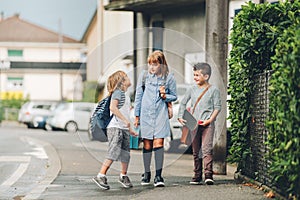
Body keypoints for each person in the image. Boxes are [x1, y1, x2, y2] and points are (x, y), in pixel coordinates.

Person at [134, 50, 177, 187]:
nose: (151, 67)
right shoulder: (144, 76)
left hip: (160, 114)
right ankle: (147, 173)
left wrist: (165, 96)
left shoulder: (169, 78)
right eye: (150, 64)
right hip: (146, 114)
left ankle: (158, 176)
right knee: (147, 144)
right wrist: (137, 116)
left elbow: (174, 96)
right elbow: (138, 96)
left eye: (155, 64)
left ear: (162, 64)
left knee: (158, 144)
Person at [92, 70, 138, 190]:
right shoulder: (118, 93)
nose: (129, 78)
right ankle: (100, 175)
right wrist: (124, 121)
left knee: (126, 154)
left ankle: (123, 175)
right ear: (122, 82)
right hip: (115, 127)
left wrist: (130, 128)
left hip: (123, 128)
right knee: (113, 151)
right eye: (126, 77)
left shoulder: (125, 94)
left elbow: (125, 114)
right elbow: (113, 108)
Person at [178, 62, 221, 185]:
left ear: (206, 76)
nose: (195, 77)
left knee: (207, 150)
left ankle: (208, 175)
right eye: (194, 75)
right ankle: (197, 175)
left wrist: (210, 120)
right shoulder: (191, 89)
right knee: (196, 151)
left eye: (197, 75)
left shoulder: (214, 90)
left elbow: (217, 107)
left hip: (208, 124)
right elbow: (183, 103)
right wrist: (180, 116)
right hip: (194, 124)